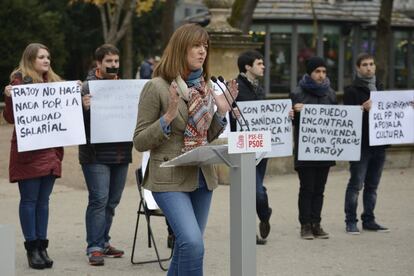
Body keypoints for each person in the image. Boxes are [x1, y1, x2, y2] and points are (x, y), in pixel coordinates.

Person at [133, 23, 237, 275]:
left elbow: (205, 136)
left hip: (202, 177)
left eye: (205, 46)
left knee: (185, 247)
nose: (202, 51)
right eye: (196, 45)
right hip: (168, 177)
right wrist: (167, 117)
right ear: (181, 48)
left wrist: (221, 112)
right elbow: (139, 141)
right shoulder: (156, 87)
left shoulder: (205, 87)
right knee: (192, 243)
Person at [3, 43, 63, 269]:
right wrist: (9, 96)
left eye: (48, 57)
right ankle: (32, 248)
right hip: (28, 152)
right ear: (30, 60)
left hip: (50, 152)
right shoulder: (18, 83)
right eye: (41, 57)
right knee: (29, 200)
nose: (46, 61)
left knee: (43, 201)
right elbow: (10, 117)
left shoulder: (55, 83)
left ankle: (42, 246)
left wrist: (77, 92)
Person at [79, 44, 133, 266]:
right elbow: (72, 126)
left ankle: (103, 241)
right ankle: (94, 246)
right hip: (95, 155)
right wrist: (83, 109)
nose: (113, 65)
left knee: (112, 201)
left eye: (116, 62)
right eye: (109, 62)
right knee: (99, 199)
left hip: (121, 153)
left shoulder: (125, 88)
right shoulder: (86, 88)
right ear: (98, 63)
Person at [343, 53, 390, 234]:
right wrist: (363, 109)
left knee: (372, 185)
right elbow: (347, 118)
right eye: (365, 65)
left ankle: (369, 220)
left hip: (379, 144)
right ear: (358, 68)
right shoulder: (351, 91)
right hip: (360, 145)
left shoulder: (380, 87)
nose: (369, 67)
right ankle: (350, 221)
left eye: (371, 64)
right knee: (356, 184)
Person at [290, 56, 336, 240]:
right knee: (307, 188)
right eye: (317, 71)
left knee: (320, 189)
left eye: (324, 71)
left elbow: (338, 119)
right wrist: (294, 111)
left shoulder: (330, 94)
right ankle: (305, 225)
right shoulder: (297, 93)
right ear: (310, 72)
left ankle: (317, 223)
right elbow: (288, 119)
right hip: (305, 150)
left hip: (324, 149)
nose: (321, 75)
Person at [230, 50, 272, 245]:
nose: (263, 66)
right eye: (259, 63)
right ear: (247, 66)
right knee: (252, 190)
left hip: (261, 147)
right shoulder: (235, 87)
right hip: (243, 147)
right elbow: (227, 115)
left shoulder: (259, 88)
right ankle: (249, 231)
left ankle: (264, 214)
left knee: (258, 190)